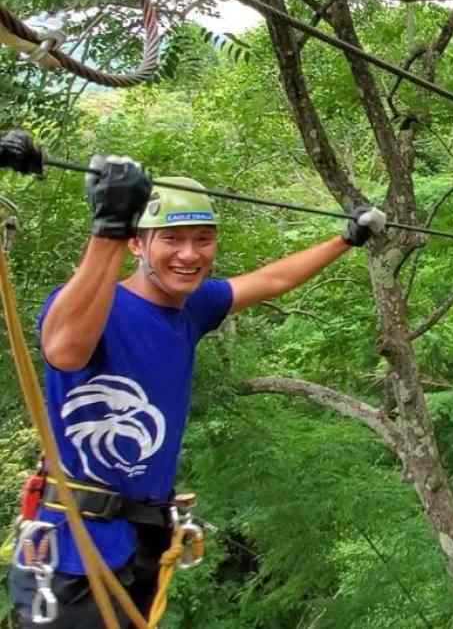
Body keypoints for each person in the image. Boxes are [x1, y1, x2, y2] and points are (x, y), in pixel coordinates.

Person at [5, 154, 384, 628]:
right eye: (172, 239)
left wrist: (347, 239)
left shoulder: (193, 308)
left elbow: (271, 280)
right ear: (138, 245)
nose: (189, 254)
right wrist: (107, 226)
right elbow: (64, 350)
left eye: (202, 240)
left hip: (141, 541)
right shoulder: (93, 303)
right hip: (76, 548)